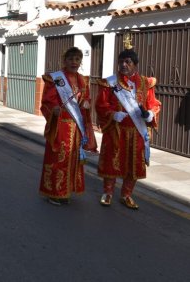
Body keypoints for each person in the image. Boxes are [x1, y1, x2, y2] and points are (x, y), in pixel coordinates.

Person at [96, 48, 161, 210]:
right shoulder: (110, 82)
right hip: (116, 130)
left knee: (134, 165)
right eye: (121, 62)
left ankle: (126, 195)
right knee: (112, 161)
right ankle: (108, 192)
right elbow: (101, 104)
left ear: (135, 65)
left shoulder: (146, 83)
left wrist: (150, 114)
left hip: (137, 133)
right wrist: (112, 113)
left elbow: (154, 104)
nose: (123, 65)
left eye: (128, 62)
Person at [39, 47, 97, 205]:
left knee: (72, 160)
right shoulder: (57, 78)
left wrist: (86, 103)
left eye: (77, 59)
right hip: (60, 126)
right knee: (59, 158)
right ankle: (54, 192)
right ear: (65, 61)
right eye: (71, 59)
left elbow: (87, 100)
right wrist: (54, 110)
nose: (74, 62)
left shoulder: (83, 80)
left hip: (77, 128)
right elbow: (47, 101)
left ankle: (66, 191)